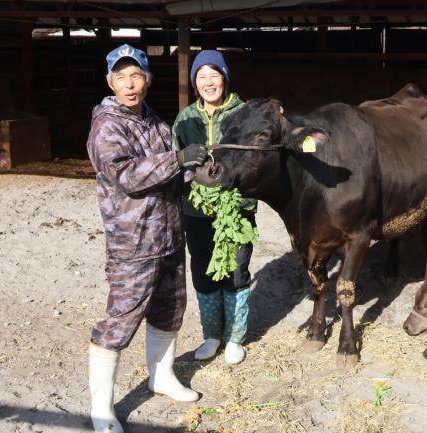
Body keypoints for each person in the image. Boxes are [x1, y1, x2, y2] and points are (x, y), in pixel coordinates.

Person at [86, 44, 207, 433]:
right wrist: (179, 159)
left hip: (170, 237)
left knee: (170, 310)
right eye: (120, 77)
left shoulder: (154, 121)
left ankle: (162, 376)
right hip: (133, 244)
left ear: (148, 80)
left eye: (135, 75)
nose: (129, 83)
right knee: (120, 322)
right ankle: (101, 407)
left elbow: (171, 172)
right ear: (110, 83)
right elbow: (129, 175)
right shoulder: (107, 126)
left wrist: (201, 174)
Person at [172, 50, 256, 365]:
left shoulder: (244, 114)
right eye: (201, 76)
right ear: (195, 83)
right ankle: (212, 335)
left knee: (236, 270)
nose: (209, 82)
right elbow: (174, 159)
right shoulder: (185, 118)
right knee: (204, 270)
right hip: (197, 211)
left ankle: (235, 338)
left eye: (214, 74)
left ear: (224, 78)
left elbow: (257, 161)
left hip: (236, 210)